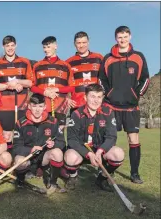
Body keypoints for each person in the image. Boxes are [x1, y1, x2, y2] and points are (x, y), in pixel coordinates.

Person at [98, 26, 150, 184]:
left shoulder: (138, 57)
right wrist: (108, 94)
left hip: (131, 107)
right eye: (120, 37)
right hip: (111, 106)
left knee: (133, 139)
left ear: (130, 37)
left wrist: (137, 95)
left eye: (125, 37)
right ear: (115, 38)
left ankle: (135, 173)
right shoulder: (107, 58)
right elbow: (101, 80)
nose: (123, 40)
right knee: (109, 139)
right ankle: (106, 170)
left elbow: (145, 79)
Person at [64, 84, 124, 191]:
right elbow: (72, 140)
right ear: (85, 97)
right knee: (70, 157)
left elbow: (112, 136)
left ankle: (101, 178)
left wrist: (100, 151)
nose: (96, 100)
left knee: (118, 154)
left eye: (99, 97)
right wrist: (89, 154)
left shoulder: (108, 112)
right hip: (82, 151)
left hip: (99, 151)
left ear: (102, 98)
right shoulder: (76, 114)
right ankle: (73, 177)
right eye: (92, 96)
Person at [12, 93, 66, 195]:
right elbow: (16, 147)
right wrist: (30, 150)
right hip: (28, 156)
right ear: (29, 106)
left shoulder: (53, 121)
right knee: (19, 161)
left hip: (44, 157)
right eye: (34, 106)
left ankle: (52, 182)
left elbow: (62, 142)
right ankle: (20, 180)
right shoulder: (20, 123)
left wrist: (54, 144)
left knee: (57, 153)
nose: (37, 110)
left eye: (40, 106)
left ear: (45, 107)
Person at [0, 35, 34, 151]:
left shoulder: (24, 62)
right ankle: (9, 161)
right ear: (3, 47)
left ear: (16, 45)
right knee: (7, 135)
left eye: (12, 45)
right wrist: (9, 86)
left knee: (23, 134)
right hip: (5, 107)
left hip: (22, 106)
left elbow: (30, 82)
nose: (10, 48)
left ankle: (22, 161)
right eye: (7, 46)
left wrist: (19, 81)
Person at [31, 36, 75, 128]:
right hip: (43, 107)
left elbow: (71, 87)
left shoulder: (65, 66)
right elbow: (32, 87)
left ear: (56, 46)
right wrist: (44, 92)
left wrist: (57, 89)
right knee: (44, 135)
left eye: (48, 46)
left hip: (60, 106)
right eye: (44, 47)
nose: (46, 50)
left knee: (59, 137)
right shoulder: (37, 66)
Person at [66, 32, 104, 111]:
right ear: (74, 44)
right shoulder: (68, 62)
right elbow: (63, 84)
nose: (81, 45)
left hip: (96, 104)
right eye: (79, 43)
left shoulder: (99, 58)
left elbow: (106, 79)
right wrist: (66, 98)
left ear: (88, 42)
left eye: (84, 42)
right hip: (77, 105)